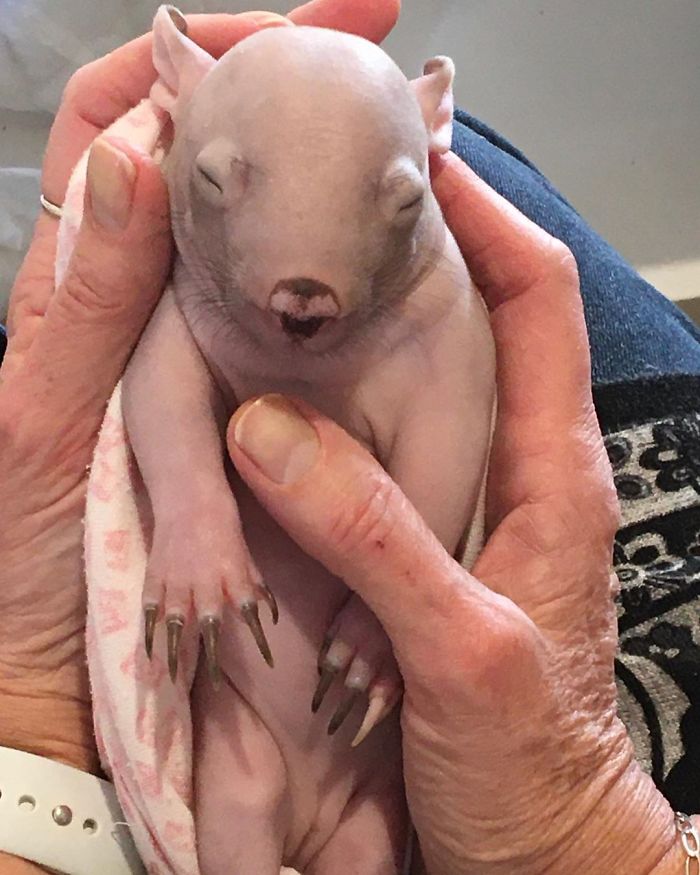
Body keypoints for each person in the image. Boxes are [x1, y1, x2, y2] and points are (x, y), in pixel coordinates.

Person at [1, 0, 698, 872]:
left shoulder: (429, 302)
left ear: (424, 140)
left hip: (384, 748)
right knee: (241, 792)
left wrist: (388, 609)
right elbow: (161, 381)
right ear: (181, 115)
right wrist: (191, 512)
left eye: (401, 205)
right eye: (217, 185)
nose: (297, 300)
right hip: (241, 715)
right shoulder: (198, 296)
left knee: (368, 834)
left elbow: (448, 442)